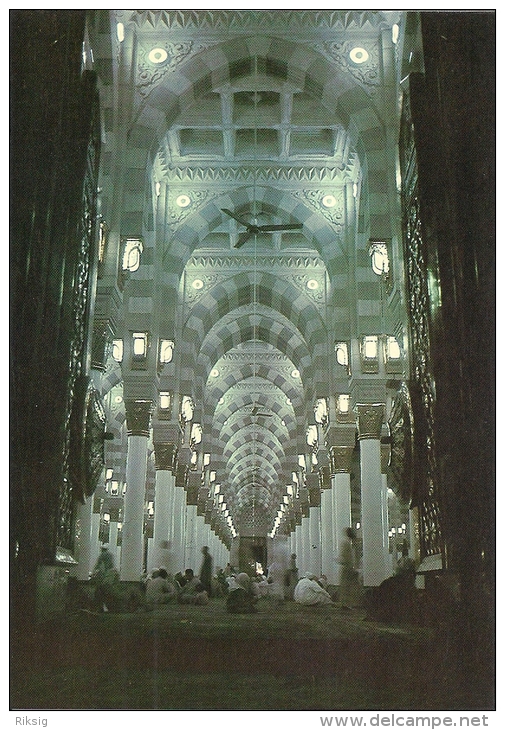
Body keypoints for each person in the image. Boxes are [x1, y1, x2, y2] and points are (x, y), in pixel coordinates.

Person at [337, 527, 360, 610]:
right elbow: (346, 557)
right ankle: (346, 604)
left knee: (346, 587)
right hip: (347, 568)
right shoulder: (346, 543)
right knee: (347, 587)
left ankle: (346, 604)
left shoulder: (347, 542)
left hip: (347, 568)